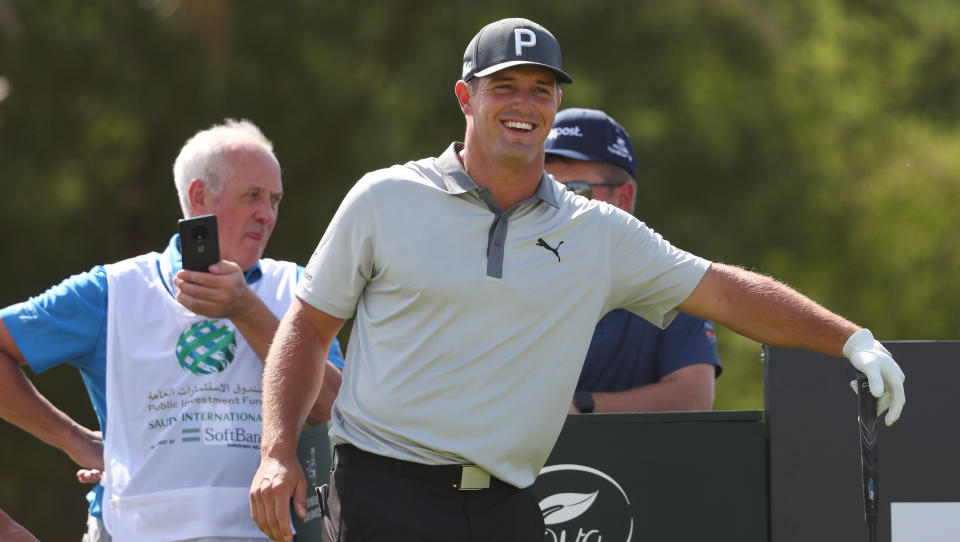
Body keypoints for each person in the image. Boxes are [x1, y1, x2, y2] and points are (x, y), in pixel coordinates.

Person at [248, 18, 906, 542]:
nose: (524, 105)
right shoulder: (385, 198)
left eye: (541, 89)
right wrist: (277, 451)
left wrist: (851, 341)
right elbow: (307, 328)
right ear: (465, 96)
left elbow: (726, 291)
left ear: (557, 102)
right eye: (504, 86)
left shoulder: (596, 232)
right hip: (384, 497)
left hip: (509, 505)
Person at [0, 119, 345, 542]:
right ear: (199, 197)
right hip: (131, 531)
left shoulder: (297, 288)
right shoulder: (113, 290)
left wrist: (247, 311)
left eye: (274, 199)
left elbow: (337, 413)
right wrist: (71, 437)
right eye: (253, 196)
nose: (267, 214)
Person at [544, 107, 721, 413]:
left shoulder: (673, 278)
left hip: (636, 460)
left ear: (622, 199)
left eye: (574, 192)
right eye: (544, 191)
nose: (556, 206)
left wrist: (577, 408)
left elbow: (694, 395)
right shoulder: (507, 271)